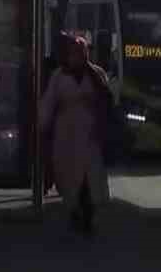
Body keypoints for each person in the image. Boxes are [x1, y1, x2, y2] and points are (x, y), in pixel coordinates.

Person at [38, 35, 111, 234]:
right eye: (75, 52)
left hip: (89, 133)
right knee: (67, 175)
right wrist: (42, 124)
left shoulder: (96, 74)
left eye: (82, 52)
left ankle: (87, 214)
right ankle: (74, 210)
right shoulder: (59, 76)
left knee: (89, 177)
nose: (78, 56)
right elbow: (49, 102)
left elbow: (106, 102)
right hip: (66, 134)